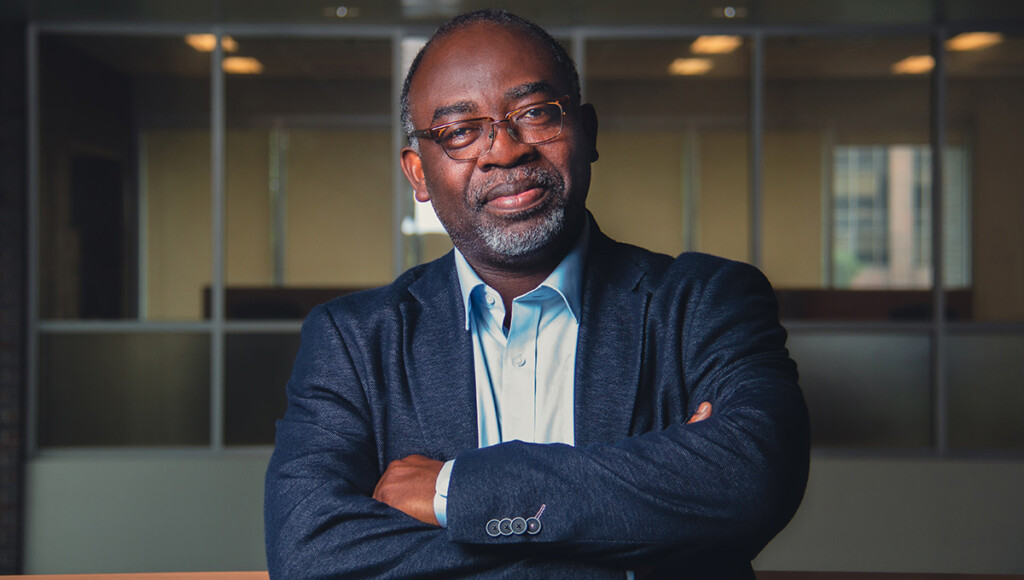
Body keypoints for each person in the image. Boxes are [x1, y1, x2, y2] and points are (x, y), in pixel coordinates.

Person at [265, 9, 809, 579]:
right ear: (419, 175)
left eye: (534, 113)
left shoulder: (704, 303)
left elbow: (751, 476)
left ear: (588, 131)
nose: (504, 150)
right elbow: (309, 550)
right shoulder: (352, 340)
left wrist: (455, 491)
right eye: (459, 131)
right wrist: (632, 537)